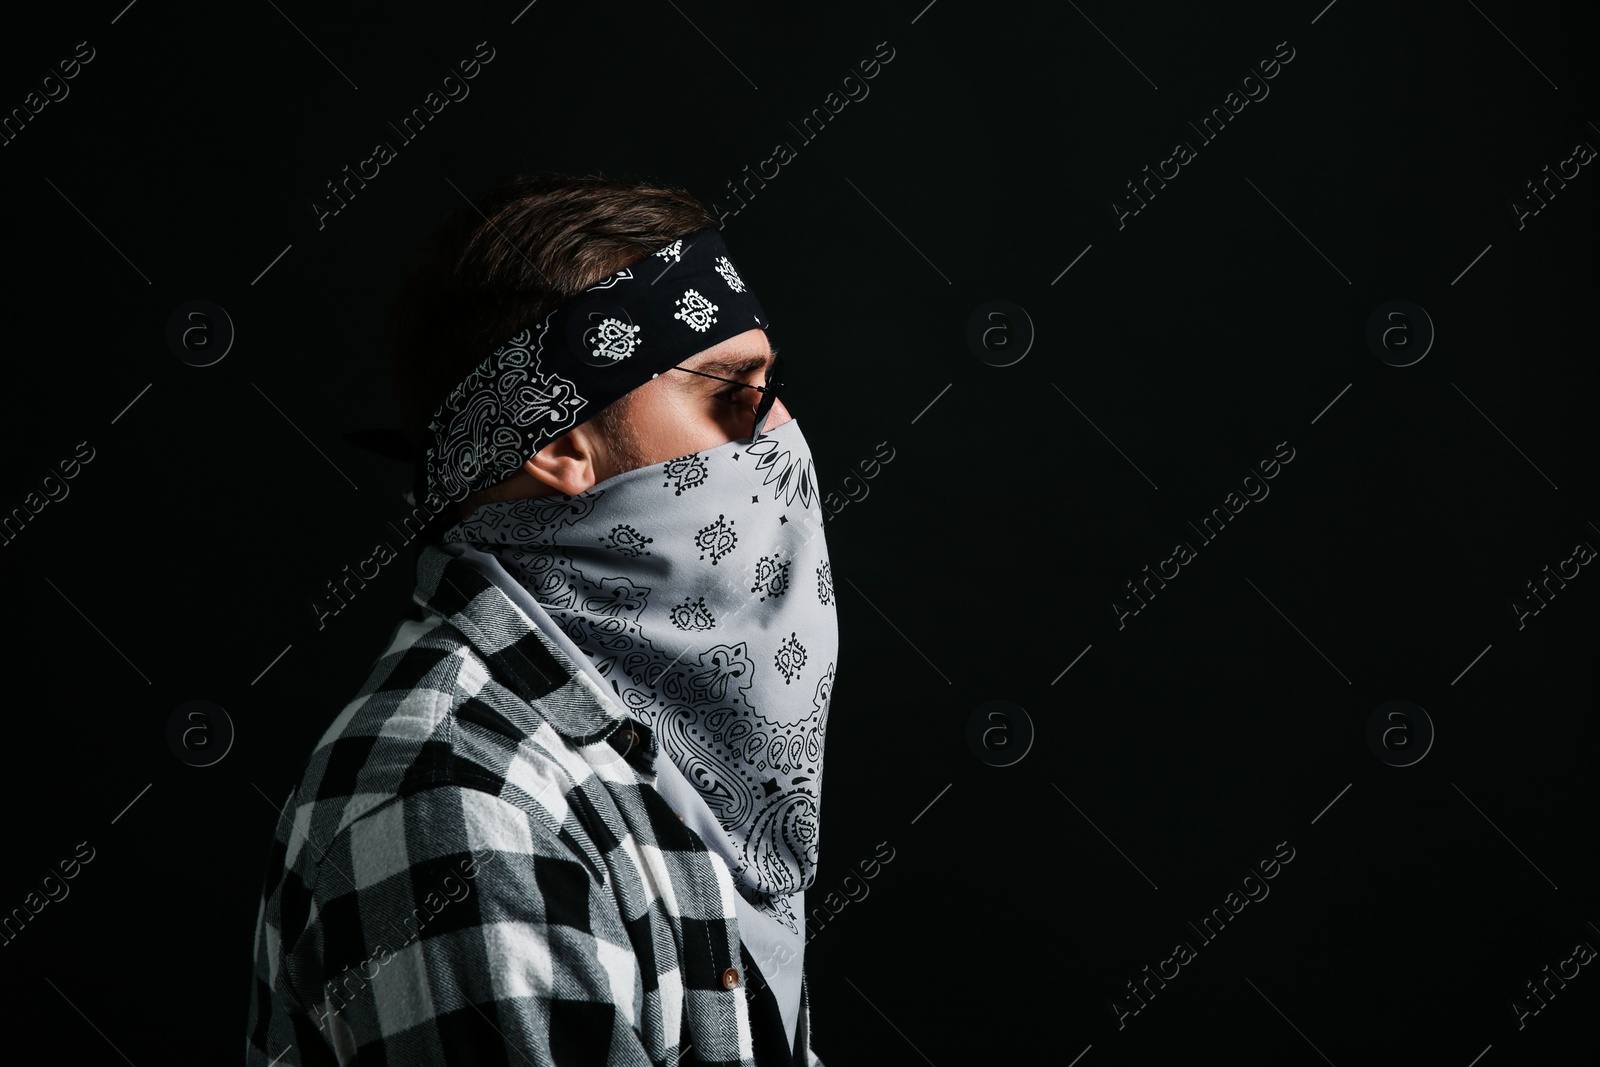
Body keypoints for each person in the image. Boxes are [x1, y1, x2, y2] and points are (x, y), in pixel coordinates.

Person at [244, 173, 839, 1065]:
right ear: (559, 441)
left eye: (775, 385)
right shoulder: (463, 796)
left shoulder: (643, 755)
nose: (782, 429)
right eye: (733, 395)